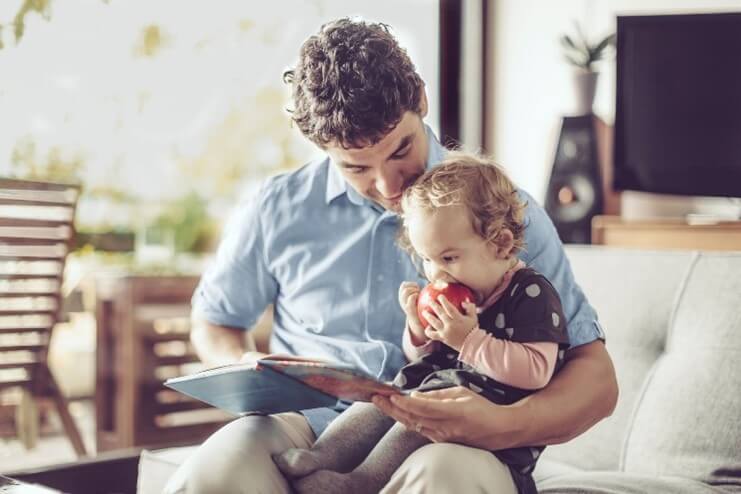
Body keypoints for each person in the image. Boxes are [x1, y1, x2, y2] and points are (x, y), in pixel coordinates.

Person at [164, 18, 617, 494]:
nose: (389, 186)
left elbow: (596, 378)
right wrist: (255, 372)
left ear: (421, 98)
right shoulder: (276, 208)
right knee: (215, 472)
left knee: (447, 478)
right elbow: (214, 323)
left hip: (454, 436)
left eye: (401, 149)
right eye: (356, 167)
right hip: (307, 428)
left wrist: (501, 424)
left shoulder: (500, 218)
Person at [273, 154, 570, 494]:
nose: (435, 274)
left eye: (448, 258)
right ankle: (320, 456)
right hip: (436, 390)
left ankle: (360, 483)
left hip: (490, 430)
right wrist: (417, 330)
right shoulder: (465, 288)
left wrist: (469, 340)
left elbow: (536, 371)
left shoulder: (531, 293)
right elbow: (422, 358)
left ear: (500, 243)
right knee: (381, 400)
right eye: (427, 259)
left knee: (416, 417)